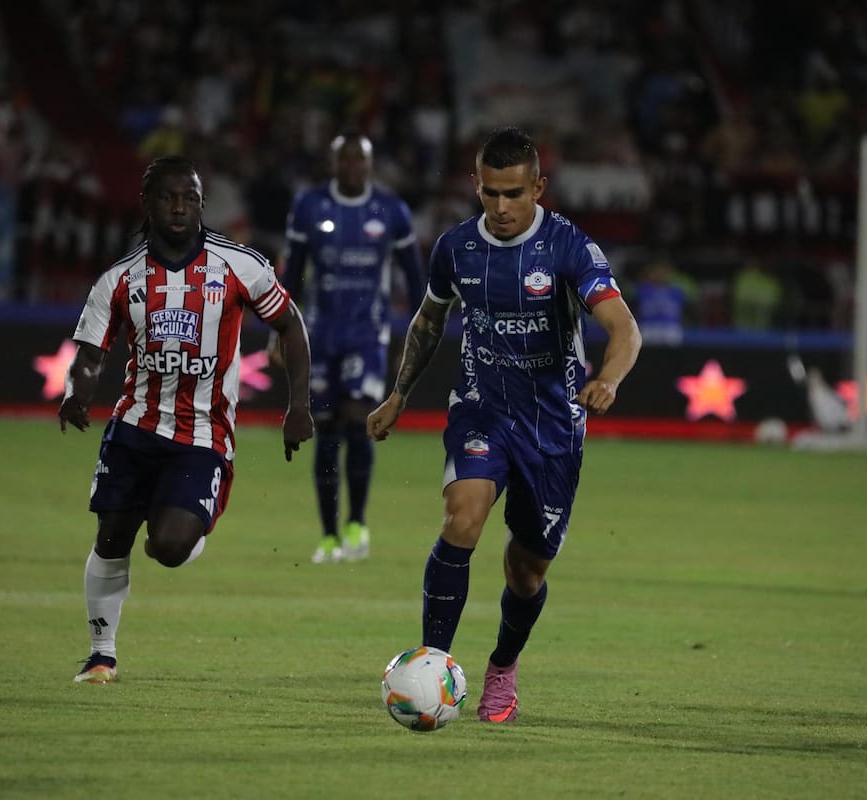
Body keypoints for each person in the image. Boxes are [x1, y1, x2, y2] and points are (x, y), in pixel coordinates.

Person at [366, 127, 642, 722]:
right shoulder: (456, 247)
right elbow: (426, 323)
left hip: (552, 428)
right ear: (475, 186)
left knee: (526, 567)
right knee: (462, 517)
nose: (501, 206)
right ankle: (431, 665)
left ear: (538, 187)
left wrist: (610, 379)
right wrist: (398, 395)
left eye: (514, 193)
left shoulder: (570, 248)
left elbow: (624, 328)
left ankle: (502, 666)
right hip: (481, 409)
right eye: (490, 193)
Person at [59, 156, 314, 684]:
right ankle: (101, 654)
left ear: (201, 204)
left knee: (169, 547)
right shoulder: (120, 279)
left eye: (190, 197)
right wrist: (77, 392)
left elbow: (290, 326)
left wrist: (299, 405)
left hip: (203, 435)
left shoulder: (239, 266)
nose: (179, 206)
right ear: (147, 203)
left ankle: (179, 527)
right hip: (133, 428)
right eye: (168, 197)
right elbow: (90, 352)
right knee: (112, 534)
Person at [274, 132, 424, 564]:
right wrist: (279, 333)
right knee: (324, 430)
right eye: (346, 160)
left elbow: (414, 279)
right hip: (320, 335)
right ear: (334, 163)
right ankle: (328, 535)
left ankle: (357, 521)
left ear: (370, 166)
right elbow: (295, 272)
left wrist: (416, 339)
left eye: (361, 161)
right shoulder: (309, 207)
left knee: (358, 420)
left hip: (367, 334)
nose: (353, 168)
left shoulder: (391, 211)